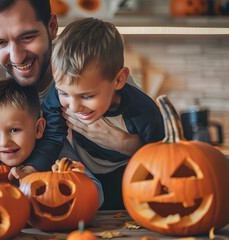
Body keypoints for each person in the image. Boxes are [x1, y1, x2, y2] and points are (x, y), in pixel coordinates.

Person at [0, 0, 142, 179]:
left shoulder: (88, 61)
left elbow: (156, 144)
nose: (17, 57)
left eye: (27, 37)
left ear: (52, 26)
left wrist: (125, 143)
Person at [45, 18, 165, 210]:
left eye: (87, 95)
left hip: (128, 178)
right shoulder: (56, 98)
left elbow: (162, 160)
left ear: (119, 80)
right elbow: (51, 138)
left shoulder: (143, 112)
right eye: (64, 93)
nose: (74, 107)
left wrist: (127, 144)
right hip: (86, 176)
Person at [0, 78, 104, 207]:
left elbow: (97, 194)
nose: (3, 142)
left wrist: (64, 183)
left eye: (14, 130)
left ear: (39, 128)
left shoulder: (57, 153)